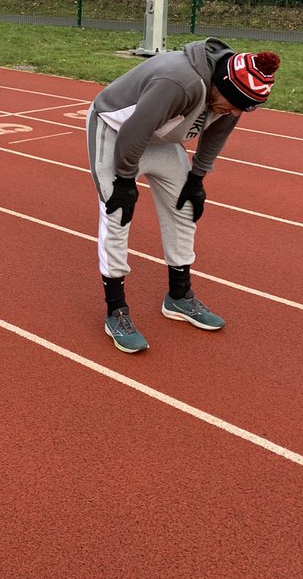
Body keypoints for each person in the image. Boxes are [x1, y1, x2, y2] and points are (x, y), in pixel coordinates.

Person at [87, 38, 280, 353]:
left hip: (160, 138)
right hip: (116, 131)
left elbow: (218, 132)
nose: (232, 112)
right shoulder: (178, 82)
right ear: (220, 86)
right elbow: (136, 129)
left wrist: (198, 177)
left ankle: (179, 297)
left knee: (185, 207)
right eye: (231, 104)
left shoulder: (232, 92)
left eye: (240, 109)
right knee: (117, 214)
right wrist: (124, 181)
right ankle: (116, 310)